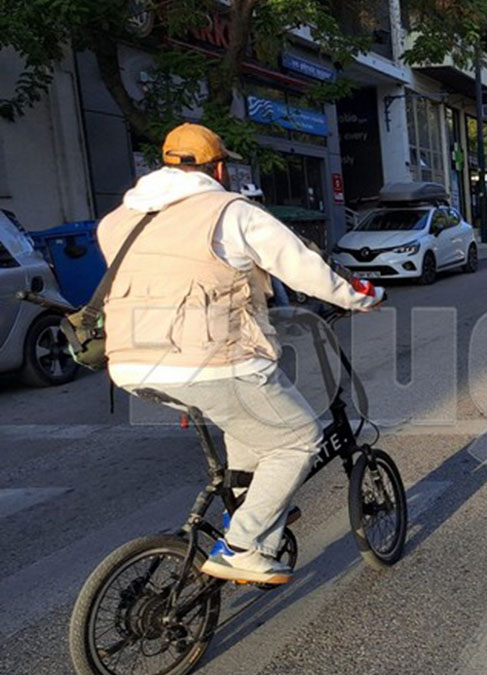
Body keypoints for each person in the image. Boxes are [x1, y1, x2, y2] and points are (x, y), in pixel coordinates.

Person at [96, 123, 380, 585]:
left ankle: (244, 512)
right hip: (209, 357)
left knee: (247, 422)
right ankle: (244, 545)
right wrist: (363, 296)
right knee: (298, 438)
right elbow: (302, 266)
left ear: (161, 164)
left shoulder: (117, 221)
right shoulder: (230, 212)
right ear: (220, 168)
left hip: (130, 363)